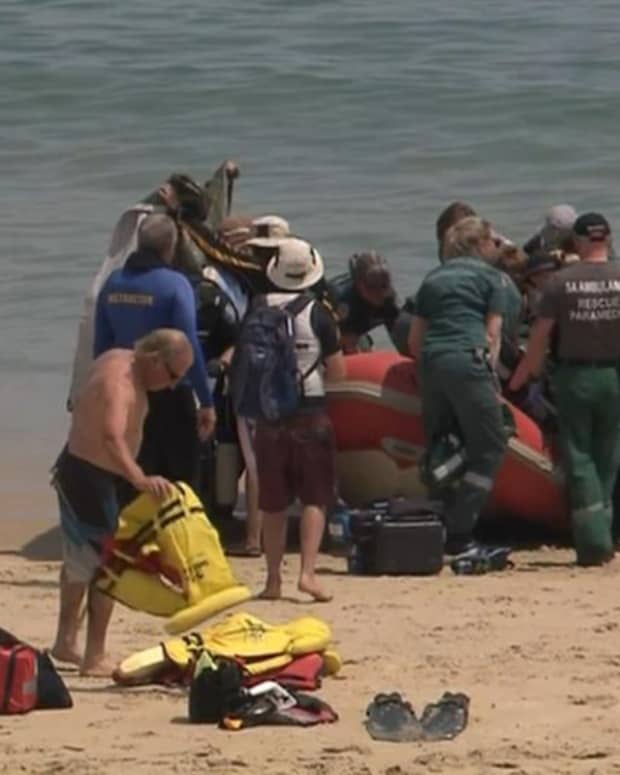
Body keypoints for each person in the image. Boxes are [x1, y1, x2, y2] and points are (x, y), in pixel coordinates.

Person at [51, 329, 194, 676]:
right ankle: (94, 656)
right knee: (108, 569)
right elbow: (112, 436)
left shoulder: (117, 356)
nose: (173, 385)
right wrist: (139, 478)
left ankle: (65, 641)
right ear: (156, 360)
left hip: (82, 469)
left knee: (79, 560)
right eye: (173, 375)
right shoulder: (122, 383)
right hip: (88, 477)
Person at [510, 213, 620, 566]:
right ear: (608, 239)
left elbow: (539, 340)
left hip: (575, 376)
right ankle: (604, 529)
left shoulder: (560, 283)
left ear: (577, 242)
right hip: (613, 375)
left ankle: (593, 543)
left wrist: (523, 377)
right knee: (608, 453)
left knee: (580, 455)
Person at [251, 238, 347, 601]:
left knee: (272, 501)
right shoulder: (319, 313)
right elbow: (337, 372)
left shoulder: (258, 306)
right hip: (309, 411)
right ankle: (307, 573)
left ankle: (272, 580)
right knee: (314, 496)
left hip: (268, 414)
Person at [407, 217, 509, 555]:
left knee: (442, 445)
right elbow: (492, 335)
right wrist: (491, 381)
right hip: (468, 360)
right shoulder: (492, 278)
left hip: (433, 363)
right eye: (493, 242)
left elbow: (415, 339)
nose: (497, 248)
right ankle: (461, 531)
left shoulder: (433, 278)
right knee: (491, 446)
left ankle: (437, 521)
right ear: (479, 244)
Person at [94, 213, 216, 492]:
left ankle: (135, 533)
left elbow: (101, 348)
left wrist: (102, 393)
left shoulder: (113, 283)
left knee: (134, 476)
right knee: (181, 480)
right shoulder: (175, 284)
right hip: (172, 392)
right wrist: (206, 401)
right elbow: (188, 347)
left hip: (128, 391)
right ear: (170, 247)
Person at [325, 251, 400, 354]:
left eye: (384, 285)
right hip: (332, 331)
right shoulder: (344, 300)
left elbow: (399, 335)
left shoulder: (389, 299)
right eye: (372, 287)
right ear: (359, 285)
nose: (379, 293)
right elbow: (347, 342)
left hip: (359, 329)